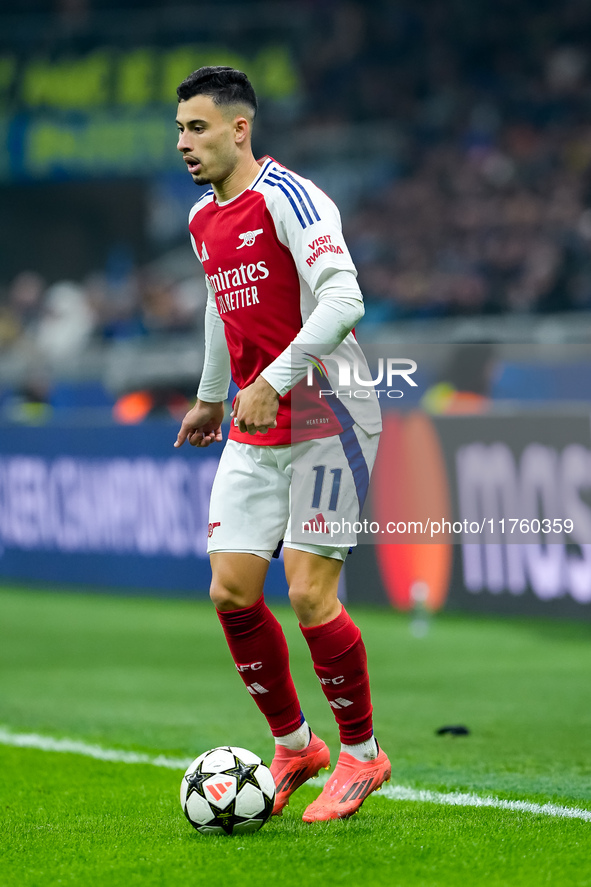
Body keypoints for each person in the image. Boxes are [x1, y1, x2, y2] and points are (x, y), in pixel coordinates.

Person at [174, 66, 390, 822]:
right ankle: (296, 744)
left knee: (306, 592)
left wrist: (274, 374)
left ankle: (362, 755)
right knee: (231, 589)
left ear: (240, 128)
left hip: (330, 414)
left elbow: (345, 297)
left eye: (197, 128)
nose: (183, 144)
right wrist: (211, 394)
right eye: (178, 130)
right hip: (254, 423)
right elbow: (217, 304)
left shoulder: (290, 197)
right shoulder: (203, 218)